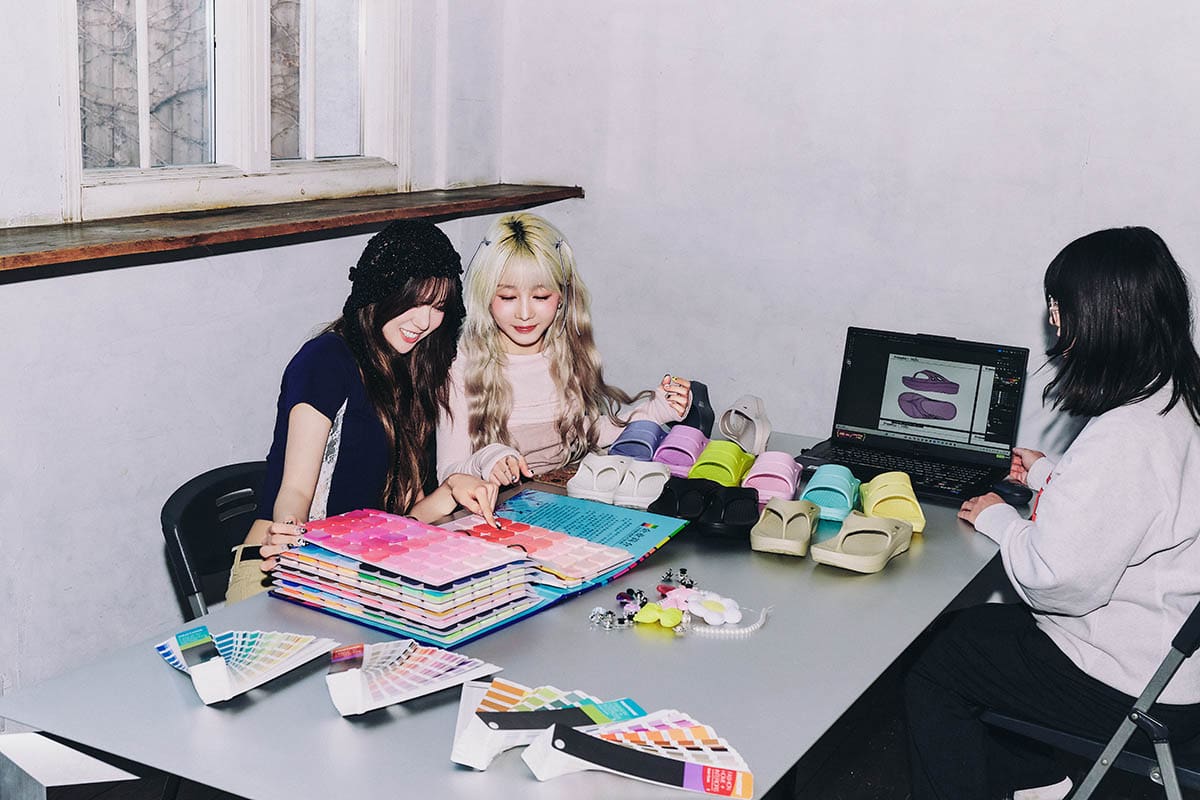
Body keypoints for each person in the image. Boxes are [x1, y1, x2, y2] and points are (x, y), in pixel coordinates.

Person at [905, 226, 1200, 800]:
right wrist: (1049, 474)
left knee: (938, 664)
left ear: (1106, 317)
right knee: (974, 633)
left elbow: (1056, 582)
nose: (1054, 320)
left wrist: (997, 518)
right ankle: (1039, 781)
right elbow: (1140, 503)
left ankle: (1030, 779)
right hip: (1171, 661)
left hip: (1134, 685)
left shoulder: (1125, 434)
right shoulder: (1172, 397)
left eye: (1060, 306)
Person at [227, 220, 500, 603]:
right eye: (414, 301)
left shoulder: (412, 366)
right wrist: (289, 529)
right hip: (275, 571)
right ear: (381, 290)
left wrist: (451, 490)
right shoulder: (325, 360)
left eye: (437, 307)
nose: (424, 321)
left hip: (353, 565)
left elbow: (400, 521)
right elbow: (296, 489)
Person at [435, 212, 693, 485]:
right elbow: (448, 474)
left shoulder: (563, 351)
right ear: (485, 296)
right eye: (508, 297)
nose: (525, 313)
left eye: (541, 296)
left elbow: (585, 434)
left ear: (562, 296)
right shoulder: (462, 366)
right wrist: (486, 460)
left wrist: (657, 410)